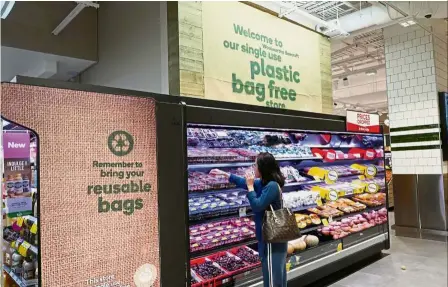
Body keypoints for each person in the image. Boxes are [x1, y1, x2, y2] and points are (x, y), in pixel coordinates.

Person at [210, 152, 287, 287]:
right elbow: (243, 182)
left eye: (255, 164)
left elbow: (257, 206)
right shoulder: (264, 183)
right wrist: (225, 174)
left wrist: (251, 187)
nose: (253, 167)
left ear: (263, 168)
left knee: (272, 278)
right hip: (269, 237)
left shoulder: (272, 186)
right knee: (275, 276)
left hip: (271, 239)